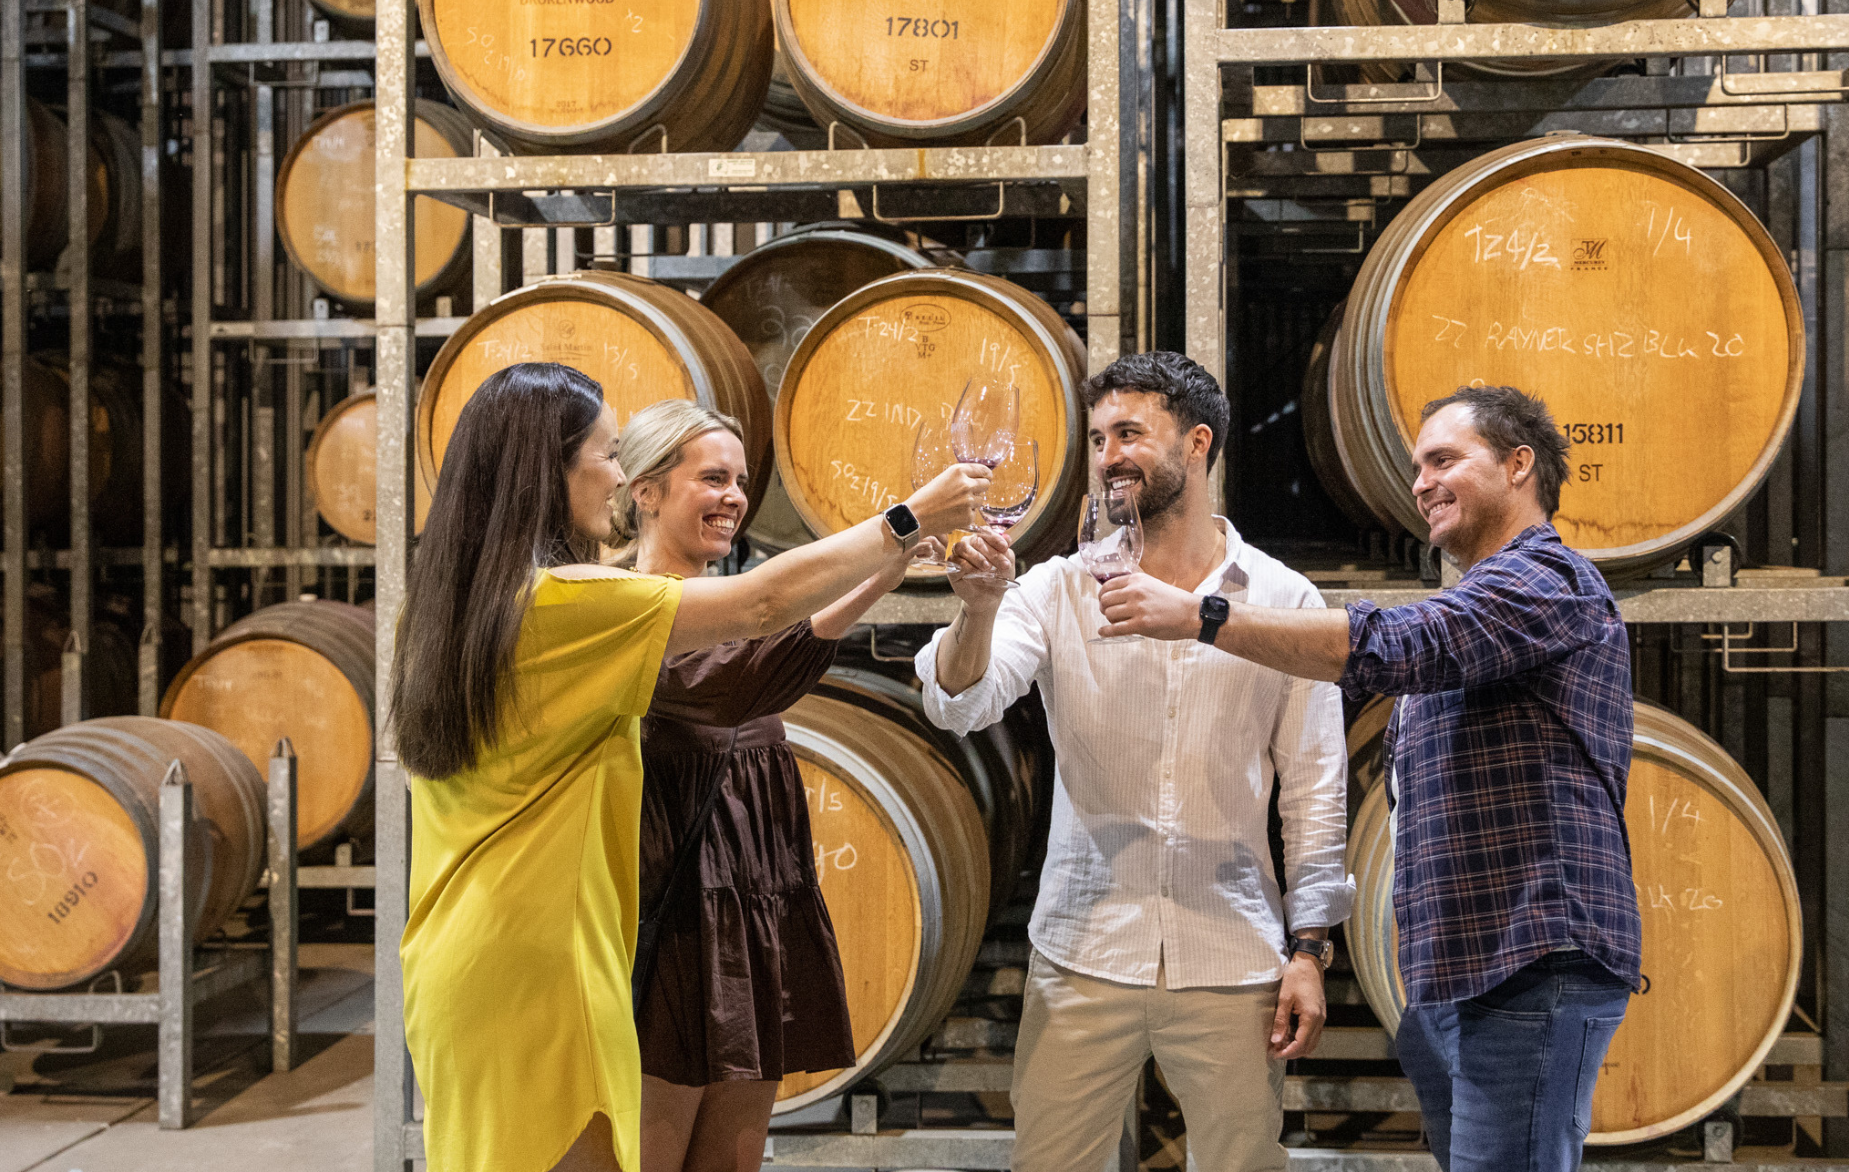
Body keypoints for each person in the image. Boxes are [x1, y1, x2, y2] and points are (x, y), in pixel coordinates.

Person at [393, 363, 986, 1172]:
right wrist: (909, 518)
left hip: (469, 954)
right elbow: (760, 610)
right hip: (542, 965)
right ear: (550, 471)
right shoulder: (563, 603)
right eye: (607, 455)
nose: (617, 475)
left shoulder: (457, 606)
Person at [1098, 383, 1641, 1172]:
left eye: (1444, 459)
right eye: (1417, 465)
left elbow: (1400, 644)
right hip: (1460, 972)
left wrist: (1202, 614)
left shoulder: (1547, 583)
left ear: (1520, 465)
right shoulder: (1483, 599)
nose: (1420, 482)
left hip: (1534, 964)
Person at [920, 351, 1351, 1172]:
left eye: (1129, 432)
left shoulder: (1284, 599)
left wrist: (1309, 949)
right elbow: (960, 702)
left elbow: (1315, 786)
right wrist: (977, 613)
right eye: (1097, 437)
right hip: (1084, 951)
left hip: (1232, 955)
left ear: (1197, 444)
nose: (1109, 453)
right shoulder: (1057, 589)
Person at [615, 400, 931, 1172]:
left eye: (741, 482)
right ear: (647, 491)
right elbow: (739, 680)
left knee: (732, 1157)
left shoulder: (734, 606)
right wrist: (881, 554)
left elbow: (766, 652)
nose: (733, 497)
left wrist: (882, 572)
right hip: (674, 910)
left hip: (753, 893)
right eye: (712, 478)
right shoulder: (621, 606)